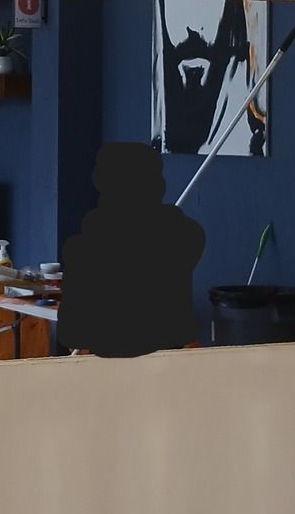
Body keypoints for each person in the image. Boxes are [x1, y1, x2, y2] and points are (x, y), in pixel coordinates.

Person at [56, 143, 205, 358]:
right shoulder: (181, 236)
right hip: (161, 361)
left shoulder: (80, 250)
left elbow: (72, 335)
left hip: (137, 362)